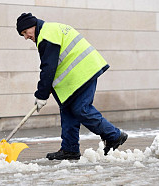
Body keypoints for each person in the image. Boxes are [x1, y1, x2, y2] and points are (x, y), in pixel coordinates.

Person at [16, 13, 128, 160]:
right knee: (68, 109)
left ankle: (114, 135)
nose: (26, 37)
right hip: (77, 75)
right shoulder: (50, 30)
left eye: (25, 32)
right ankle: (70, 149)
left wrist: (41, 94)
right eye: (23, 34)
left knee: (81, 109)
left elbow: (48, 68)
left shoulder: (46, 35)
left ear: (32, 25)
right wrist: (47, 88)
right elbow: (56, 64)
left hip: (84, 72)